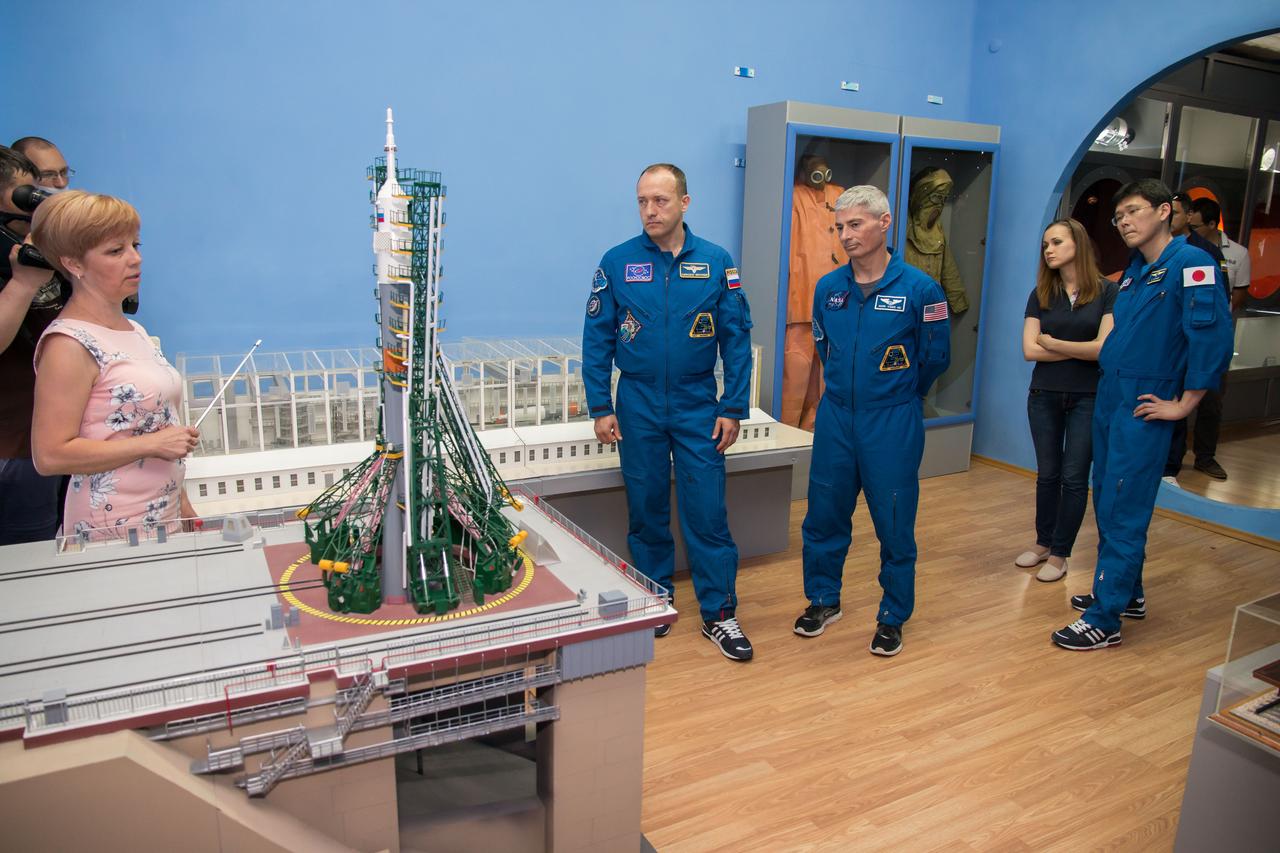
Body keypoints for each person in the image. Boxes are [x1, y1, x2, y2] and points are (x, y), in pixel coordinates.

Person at [582, 164, 755, 662]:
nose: (650, 211)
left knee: (707, 509)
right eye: (642, 201)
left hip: (699, 401)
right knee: (646, 504)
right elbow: (597, 338)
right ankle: (655, 595)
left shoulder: (717, 262)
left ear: (684, 202)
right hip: (636, 402)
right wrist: (601, 404)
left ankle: (719, 614)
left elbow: (736, 341)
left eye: (660, 200)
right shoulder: (616, 263)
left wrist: (733, 406)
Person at [1052, 179, 1232, 651]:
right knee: (1105, 494)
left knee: (1123, 504)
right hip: (1111, 396)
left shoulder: (1192, 264)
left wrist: (1185, 403)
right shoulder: (1135, 270)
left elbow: (1211, 338)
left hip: (1146, 402)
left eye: (1133, 211)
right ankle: (1127, 591)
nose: (1125, 222)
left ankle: (1105, 618)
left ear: (1165, 211)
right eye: (1119, 217)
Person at [793, 185, 951, 657]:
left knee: (894, 520)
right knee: (822, 514)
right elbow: (825, 347)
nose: (845, 235)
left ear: (884, 224)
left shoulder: (921, 289)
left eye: (855, 224)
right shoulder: (829, 288)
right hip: (838, 417)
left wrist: (898, 394)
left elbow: (936, 357)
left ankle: (893, 614)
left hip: (892, 421)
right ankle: (823, 599)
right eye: (839, 227)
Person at [29, 191, 199, 540]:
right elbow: (49, 455)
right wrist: (151, 446)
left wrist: (181, 502)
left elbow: (159, 424)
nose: (135, 259)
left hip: (160, 516)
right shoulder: (68, 344)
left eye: (135, 245)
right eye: (115, 251)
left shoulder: (133, 329)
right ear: (74, 264)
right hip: (111, 527)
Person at [1017, 219, 1116, 583]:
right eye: (1045, 245)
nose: (1049, 250)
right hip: (1044, 395)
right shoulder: (1041, 293)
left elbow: (1104, 350)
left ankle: (1060, 554)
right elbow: (1029, 350)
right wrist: (1079, 350)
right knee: (1048, 473)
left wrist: (1053, 343)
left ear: (1079, 242)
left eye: (1056, 242)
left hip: (1089, 398)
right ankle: (1044, 542)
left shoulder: (1108, 291)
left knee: (1075, 477)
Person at [0, 146, 65, 545]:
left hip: (49, 449)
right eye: (29, 191)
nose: (48, 192)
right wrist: (22, 283)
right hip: (12, 451)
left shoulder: (37, 247)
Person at [1178, 197, 1251, 482]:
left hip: (1215, 335)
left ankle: (1205, 457)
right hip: (1185, 336)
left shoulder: (1236, 253)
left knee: (1211, 399)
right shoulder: (1181, 250)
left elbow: (1238, 293)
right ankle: (1173, 456)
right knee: (1177, 393)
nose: (1191, 225)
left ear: (1211, 224)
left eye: (1195, 221)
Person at [1163, 193, 1226, 485]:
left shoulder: (1201, 254)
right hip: (1164, 350)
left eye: (1174, 213)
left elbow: (1214, 306)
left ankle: (1193, 460)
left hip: (1194, 345)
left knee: (1201, 401)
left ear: (1187, 215)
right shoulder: (1148, 254)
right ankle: (1167, 464)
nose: (1168, 219)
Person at [783, 154, 846, 430]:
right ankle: (786, 433)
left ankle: (816, 433)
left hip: (838, 306)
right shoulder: (794, 197)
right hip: (799, 304)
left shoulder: (840, 195)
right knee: (795, 378)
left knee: (825, 380)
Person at [902, 167, 969, 315]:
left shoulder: (936, 231)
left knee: (935, 336)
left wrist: (959, 302)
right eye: (936, 197)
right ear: (921, 196)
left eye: (944, 199)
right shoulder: (902, 224)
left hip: (933, 302)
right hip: (903, 303)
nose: (940, 204)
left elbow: (948, 267)